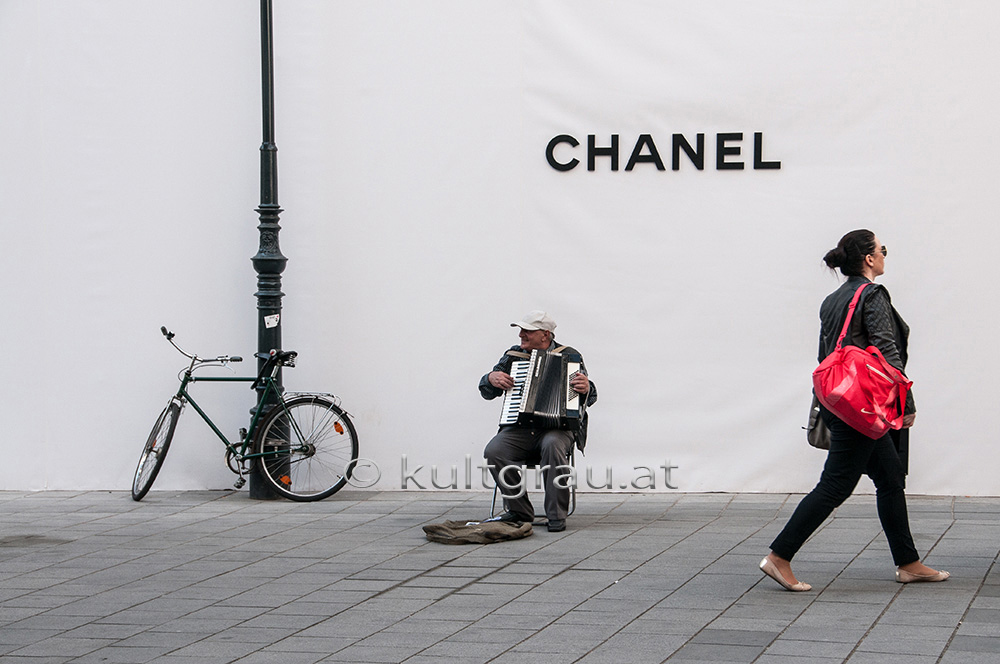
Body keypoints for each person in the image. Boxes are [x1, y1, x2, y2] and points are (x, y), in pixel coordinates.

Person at [760, 230, 949, 591]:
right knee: (836, 484)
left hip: (841, 402)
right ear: (868, 259)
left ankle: (908, 563)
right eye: (882, 249)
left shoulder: (832, 300)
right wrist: (905, 402)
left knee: (890, 477)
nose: (884, 255)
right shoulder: (872, 294)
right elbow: (887, 351)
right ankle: (779, 556)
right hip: (863, 409)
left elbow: (826, 356)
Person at [480, 310, 597, 532]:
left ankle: (556, 515)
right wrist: (490, 378)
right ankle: (519, 511)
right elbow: (487, 391)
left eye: (527, 331)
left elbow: (591, 397)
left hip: (558, 429)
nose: (521, 335)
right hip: (521, 428)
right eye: (521, 330)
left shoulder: (570, 356)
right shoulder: (514, 356)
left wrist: (587, 387)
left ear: (545, 335)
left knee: (552, 446)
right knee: (494, 451)